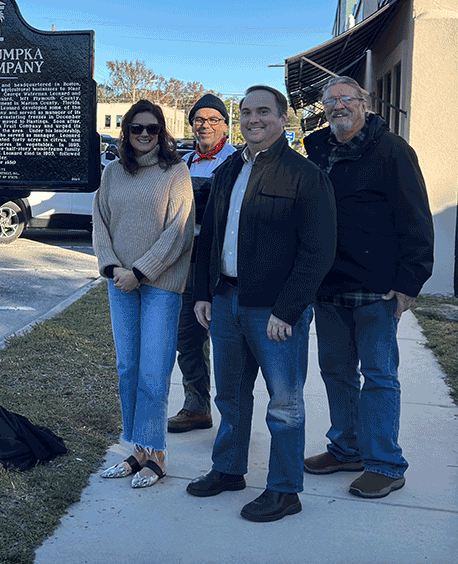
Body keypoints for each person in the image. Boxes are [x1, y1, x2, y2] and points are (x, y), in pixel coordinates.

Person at [188, 85, 336, 522]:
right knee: (230, 397)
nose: (253, 119)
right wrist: (203, 292)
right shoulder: (229, 169)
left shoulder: (305, 176)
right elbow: (209, 238)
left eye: (263, 112)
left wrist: (287, 310)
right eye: (246, 112)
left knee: (283, 405)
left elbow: (318, 251)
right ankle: (229, 469)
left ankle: (285, 490)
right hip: (225, 301)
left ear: (282, 118)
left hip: (273, 312)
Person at [302, 76, 433, 499]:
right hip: (328, 285)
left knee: (378, 376)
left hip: (376, 290)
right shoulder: (317, 149)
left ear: (364, 103)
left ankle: (385, 463)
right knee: (336, 372)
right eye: (330, 101)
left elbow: (416, 217)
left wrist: (410, 281)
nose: (338, 106)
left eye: (346, 99)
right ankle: (346, 448)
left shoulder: (393, 150)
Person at [92, 100, 194, 488]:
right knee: (127, 369)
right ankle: (137, 451)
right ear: (127, 132)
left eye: (152, 128)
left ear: (162, 131)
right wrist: (114, 268)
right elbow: (99, 222)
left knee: (153, 371)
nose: (145, 135)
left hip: (160, 288)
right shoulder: (113, 173)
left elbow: (179, 231)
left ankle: (158, 456)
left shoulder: (176, 173)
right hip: (120, 284)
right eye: (137, 129)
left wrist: (140, 271)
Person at [168, 93, 237, 434]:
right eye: (199, 119)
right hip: (186, 260)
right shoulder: (182, 164)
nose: (205, 125)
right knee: (188, 338)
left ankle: (234, 419)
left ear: (225, 125)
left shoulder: (237, 161)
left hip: (221, 262)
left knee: (226, 339)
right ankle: (196, 407)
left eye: (213, 119)